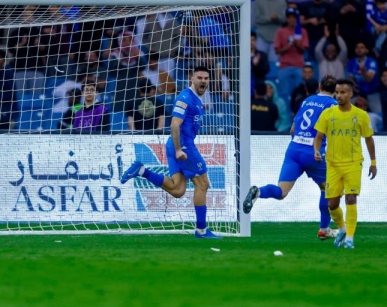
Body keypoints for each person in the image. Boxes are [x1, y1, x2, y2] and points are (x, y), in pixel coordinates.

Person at [120, 66, 221, 239]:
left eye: (206, 78)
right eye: (200, 77)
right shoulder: (185, 97)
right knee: (202, 184)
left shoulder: (196, 99)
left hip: (178, 144)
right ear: (192, 78)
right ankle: (201, 230)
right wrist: (179, 149)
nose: (203, 81)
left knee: (178, 190)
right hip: (182, 145)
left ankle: (142, 171)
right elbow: (174, 124)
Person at [244, 75, 338, 240]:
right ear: (335, 90)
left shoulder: (307, 100)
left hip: (294, 150)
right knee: (327, 189)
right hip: (314, 152)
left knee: (281, 192)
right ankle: (324, 229)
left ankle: (258, 191)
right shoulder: (333, 105)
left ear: (319, 85)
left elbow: (293, 129)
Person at [313, 79, 377, 249]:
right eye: (337, 92)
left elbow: (369, 139)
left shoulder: (361, 115)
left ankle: (349, 238)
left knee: (350, 198)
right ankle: (342, 228)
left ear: (351, 94)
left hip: (353, 164)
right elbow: (318, 136)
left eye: (342, 92)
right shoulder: (328, 114)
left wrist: (373, 162)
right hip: (332, 165)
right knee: (332, 204)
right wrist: (316, 150)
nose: (339, 95)